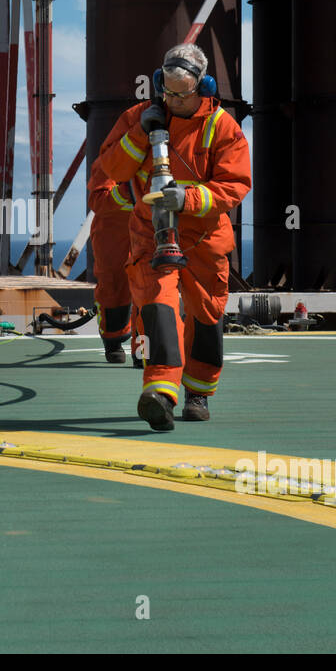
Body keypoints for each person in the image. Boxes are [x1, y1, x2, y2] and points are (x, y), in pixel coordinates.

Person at [94, 43, 251, 431]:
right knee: (157, 308)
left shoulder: (222, 128)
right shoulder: (139, 118)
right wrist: (139, 134)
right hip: (150, 234)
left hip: (203, 236)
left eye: (182, 92)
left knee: (206, 313)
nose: (173, 99)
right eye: (167, 90)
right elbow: (111, 165)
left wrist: (187, 198)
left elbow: (234, 185)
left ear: (204, 87)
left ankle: (198, 393)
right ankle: (160, 392)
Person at [86, 162, 139, 364]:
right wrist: (130, 191)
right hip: (113, 227)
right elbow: (99, 199)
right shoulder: (114, 155)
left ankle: (145, 347)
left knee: (152, 284)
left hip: (148, 223)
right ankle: (113, 340)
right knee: (113, 284)